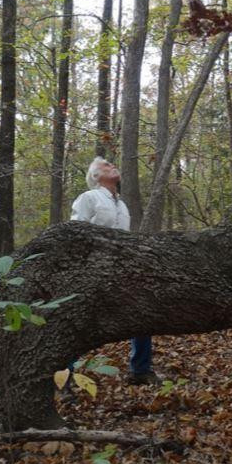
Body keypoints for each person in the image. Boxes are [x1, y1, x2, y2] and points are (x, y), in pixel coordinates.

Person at [69, 156, 159, 385]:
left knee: (141, 317)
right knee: (75, 325)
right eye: (106, 165)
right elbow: (75, 234)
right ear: (96, 176)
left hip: (123, 271)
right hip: (93, 271)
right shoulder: (88, 198)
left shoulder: (122, 204)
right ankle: (65, 381)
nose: (113, 166)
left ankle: (140, 371)